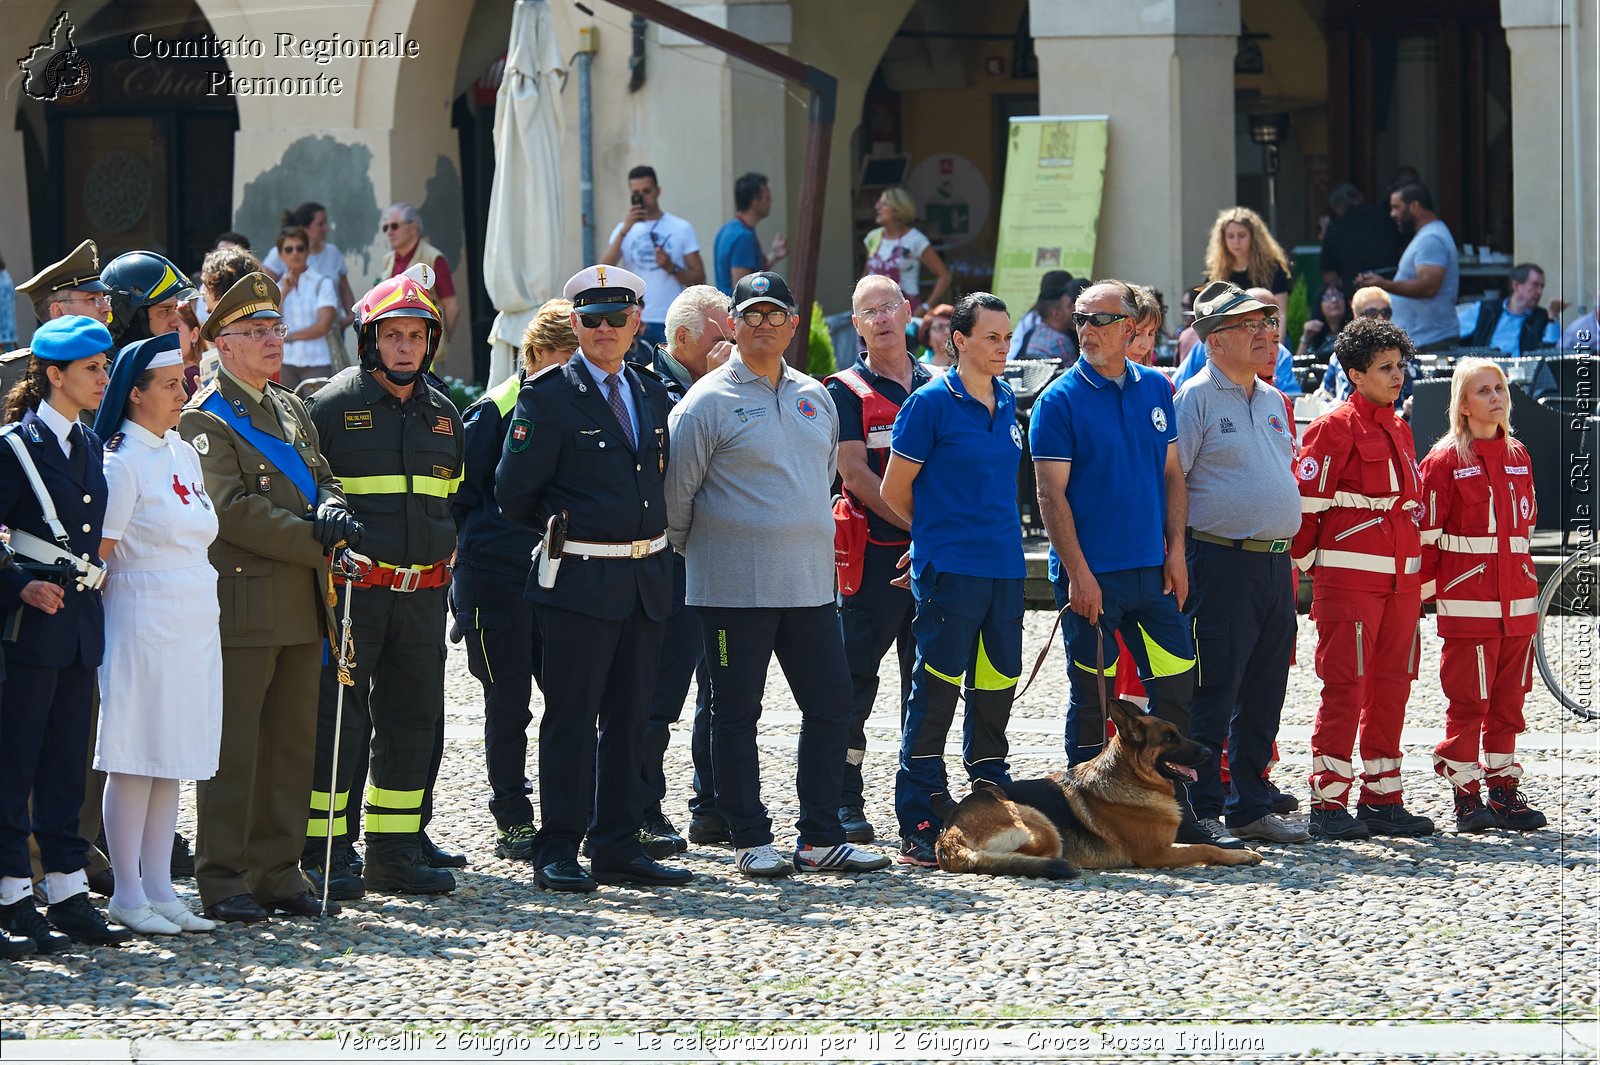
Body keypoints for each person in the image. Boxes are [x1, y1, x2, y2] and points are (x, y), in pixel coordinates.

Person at [666, 270, 890, 878]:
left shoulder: (815, 397)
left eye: (775, 315)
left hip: (809, 587)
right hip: (732, 588)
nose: (764, 326)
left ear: (795, 324)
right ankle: (748, 835)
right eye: (751, 316)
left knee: (831, 704)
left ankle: (819, 835)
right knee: (736, 714)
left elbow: (821, 480)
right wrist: (714, 555)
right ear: (732, 326)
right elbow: (677, 501)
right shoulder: (704, 402)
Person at [496, 264, 692, 893]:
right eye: (590, 319)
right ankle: (556, 847)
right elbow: (512, 494)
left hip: (646, 577)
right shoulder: (549, 396)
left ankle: (617, 844)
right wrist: (571, 530)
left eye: (616, 317)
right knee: (571, 719)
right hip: (580, 578)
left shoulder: (654, 390)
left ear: (638, 320)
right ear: (574, 324)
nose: (604, 330)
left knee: (633, 719)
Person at [1028, 280, 1233, 847]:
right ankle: (1080, 818)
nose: (1088, 331)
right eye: (1081, 321)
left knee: (1175, 687)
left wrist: (1175, 552)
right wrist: (1078, 575)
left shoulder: (1155, 390)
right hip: (1092, 579)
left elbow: (1172, 476)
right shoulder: (1058, 400)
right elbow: (1051, 496)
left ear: (1131, 327)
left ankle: (1177, 810)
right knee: (1093, 701)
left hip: (1152, 573)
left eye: (1100, 320)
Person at [179, 271, 358, 922]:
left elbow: (324, 478)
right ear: (221, 343)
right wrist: (321, 538)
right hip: (244, 606)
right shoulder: (205, 417)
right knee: (235, 749)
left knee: (290, 744)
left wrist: (335, 511)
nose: (271, 341)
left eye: (275, 328)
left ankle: (278, 870)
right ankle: (223, 875)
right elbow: (232, 511)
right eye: (254, 332)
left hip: (303, 601)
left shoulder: (288, 406)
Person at [301, 272, 464, 898]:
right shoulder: (332, 407)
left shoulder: (445, 415)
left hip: (423, 596)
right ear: (370, 342)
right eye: (392, 335)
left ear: (429, 343)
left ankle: (394, 852)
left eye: (416, 336)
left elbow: (450, 501)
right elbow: (310, 489)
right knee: (340, 722)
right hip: (354, 597)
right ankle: (328, 853)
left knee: (412, 721)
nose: (405, 347)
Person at [878, 292, 1024, 866]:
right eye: (992, 337)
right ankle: (919, 814)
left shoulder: (1008, 400)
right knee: (935, 692)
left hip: (1006, 571)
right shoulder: (930, 403)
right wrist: (932, 537)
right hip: (951, 573)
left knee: (995, 688)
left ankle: (989, 795)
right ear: (958, 340)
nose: (1003, 348)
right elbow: (893, 490)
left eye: (1007, 337)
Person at [0, 315, 130, 950]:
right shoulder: (15, 447)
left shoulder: (86, 444)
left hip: (79, 627)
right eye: (91, 369)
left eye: (104, 367)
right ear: (54, 375)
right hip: (31, 628)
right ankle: (12, 896)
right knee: (15, 765)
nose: (104, 379)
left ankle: (69, 890)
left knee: (64, 768)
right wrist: (17, 584)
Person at [90, 333, 221, 935]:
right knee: (134, 754)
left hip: (191, 615)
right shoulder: (121, 461)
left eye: (184, 381)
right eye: (170, 385)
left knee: (172, 755)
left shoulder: (182, 452)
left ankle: (163, 889)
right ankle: (127, 890)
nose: (183, 393)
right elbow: (100, 555)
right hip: (141, 614)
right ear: (135, 394)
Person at [1174, 282, 1308, 846]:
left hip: (1274, 565)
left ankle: (1249, 800)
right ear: (1216, 339)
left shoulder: (1274, 399)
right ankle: (1201, 808)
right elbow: (1171, 482)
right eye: (1252, 325)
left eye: (1267, 323)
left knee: (1265, 688)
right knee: (1215, 690)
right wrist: (1175, 556)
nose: (1266, 334)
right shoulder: (1194, 398)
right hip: (1219, 560)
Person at [1292, 315, 1434, 840]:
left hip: (1400, 584)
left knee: (1394, 684)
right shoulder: (1334, 427)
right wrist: (1314, 567)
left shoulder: (1399, 425)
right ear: (1355, 374)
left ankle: (1382, 797)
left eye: (1400, 366)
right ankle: (1328, 802)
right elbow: (1304, 510)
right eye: (1385, 368)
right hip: (1349, 584)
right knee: (1345, 687)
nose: (1397, 376)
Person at [451, 298, 577, 862]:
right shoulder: (494, 409)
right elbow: (465, 498)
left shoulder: (585, 403)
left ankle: (572, 809)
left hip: (561, 577)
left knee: (572, 696)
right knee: (508, 702)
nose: (568, 368)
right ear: (532, 354)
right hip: (497, 575)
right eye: (559, 356)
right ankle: (513, 816)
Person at [825, 275, 933, 844]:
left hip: (928, 563)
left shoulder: (938, 384)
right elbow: (855, 475)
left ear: (907, 311)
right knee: (854, 685)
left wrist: (931, 539)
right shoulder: (843, 390)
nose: (882, 318)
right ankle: (845, 798)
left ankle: (920, 798)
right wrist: (920, 528)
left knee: (928, 684)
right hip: (871, 563)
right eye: (869, 312)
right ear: (858, 325)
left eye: (889, 306)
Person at [1419, 359, 1546, 833]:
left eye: (1499, 388)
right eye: (1483, 391)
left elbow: (1524, 530)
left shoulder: (1519, 455)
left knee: (1509, 703)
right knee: (1469, 702)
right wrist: (1431, 601)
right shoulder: (1444, 460)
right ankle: (1465, 795)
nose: (1495, 397)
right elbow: (1426, 538)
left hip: (1518, 607)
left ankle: (1503, 790)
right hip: (1468, 608)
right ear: (1463, 404)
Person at [639, 285, 735, 850]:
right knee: (657, 695)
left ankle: (712, 802)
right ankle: (643, 806)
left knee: (721, 688)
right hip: (665, 564)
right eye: (723, 337)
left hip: (717, 558)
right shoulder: (654, 387)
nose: (735, 347)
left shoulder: (733, 386)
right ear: (682, 341)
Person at [602, 166, 705, 347]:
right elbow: (603, 268)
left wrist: (671, 267)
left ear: (657, 191)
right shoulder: (623, 230)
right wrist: (625, 229)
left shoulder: (680, 228)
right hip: (634, 319)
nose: (642, 197)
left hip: (670, 317)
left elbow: (699, 277)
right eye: (636, 193)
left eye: (647, 191)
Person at [1355, 183, 1459, 352]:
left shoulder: (1431, 238)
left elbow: (1429, 286)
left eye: (1396, 207)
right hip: (1424, 338)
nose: (1392, 214)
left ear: (1415, 206)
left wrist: (1383, 284)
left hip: (1431, 340)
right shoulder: (1427, 235)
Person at [4, 240, 112, 399]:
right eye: (92, 300)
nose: (106, 308)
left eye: (104, 299)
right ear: (58, 311)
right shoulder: (11, 374)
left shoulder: (115, 368)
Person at [261, 202, 358, 340]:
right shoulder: (280, 253)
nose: (326, 228)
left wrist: (348, 318)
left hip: (328, 332)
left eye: (326, 224)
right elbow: (263, 291)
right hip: (290, 333)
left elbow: (344, 289)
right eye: (320, 224)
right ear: (303, 227)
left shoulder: (332, 253)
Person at [379, 203, 460, 367]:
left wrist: (440, 338)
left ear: (413, 227)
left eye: (394, 226)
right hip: (393, 351)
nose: (389, 232)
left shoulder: (433, 258)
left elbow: (452, 307)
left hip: (426, 353)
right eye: (385, 228)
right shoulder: (388, 259)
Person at [863, 188, 952, 314]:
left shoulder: (915, 239)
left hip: (906, 313)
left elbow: (944, 276)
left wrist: (926, 307)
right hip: (875, 313)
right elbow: (866, 275)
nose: (877, 207)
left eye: (883, 204)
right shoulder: (873, 238)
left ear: (897, 209)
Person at [272, 226, 339, 391]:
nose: (295, 253)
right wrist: (284, 293)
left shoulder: (323, 283)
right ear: (281, 255)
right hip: (285, 361)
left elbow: (323, 326)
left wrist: (290, 337)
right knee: (285, 414)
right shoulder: (276, 288)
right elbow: (271, 323)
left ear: (307, 252)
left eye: (300, 248)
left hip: (318, 361)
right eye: (289, 249)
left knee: (318, 414)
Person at [1202, 207, 1292, 319]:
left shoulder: (1272, 269)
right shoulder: (1215, 272)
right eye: (1230, 236)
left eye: (1242, 235)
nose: (1236, 242)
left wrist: (1278, 337)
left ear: (1253, 237)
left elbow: (1281, 314)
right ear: (1223, 240)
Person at [1456, 263, 1562, 357]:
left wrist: (1553, 316)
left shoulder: (1542, 317)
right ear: (1516, 285)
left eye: (1542, 287)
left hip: (1521, 373)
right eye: (1535, 285)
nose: (1539, 292)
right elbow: (1451, 330)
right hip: (1486, 371)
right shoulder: (1486, 310)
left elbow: (1551, 352)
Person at [1319, 183, 1404, 297]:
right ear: (1361, 197)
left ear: (1335, 208)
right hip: (1394, 283)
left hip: (1357, 291)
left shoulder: (1334, 230)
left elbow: (1330, 278)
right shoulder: (1386, 216)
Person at [100, 250, 197, 347]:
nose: (177, 323)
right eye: (165, 311)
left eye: (175, 308)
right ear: (133, 319)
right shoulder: (99, 361)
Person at [713, 172, 787, 296]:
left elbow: (749, 270)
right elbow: (742, 288)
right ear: (755, 202)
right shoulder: (743, 237)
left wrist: (774, 255)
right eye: (767, 197)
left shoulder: (727, 229)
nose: (771, 201)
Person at [1011, 271, 1078, 361]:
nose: (1075, 307)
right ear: (1057, 313)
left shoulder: (1036, 329)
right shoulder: (1060, 341)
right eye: (1070, 305)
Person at [1297, 284, 1353, 362]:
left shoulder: (1353, 330)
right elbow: (1299, 363)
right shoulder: (1315, 333)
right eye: (1328, 297)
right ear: (1319, 305)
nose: (1334, 300)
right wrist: (1306, 337)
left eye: (1339, 295)